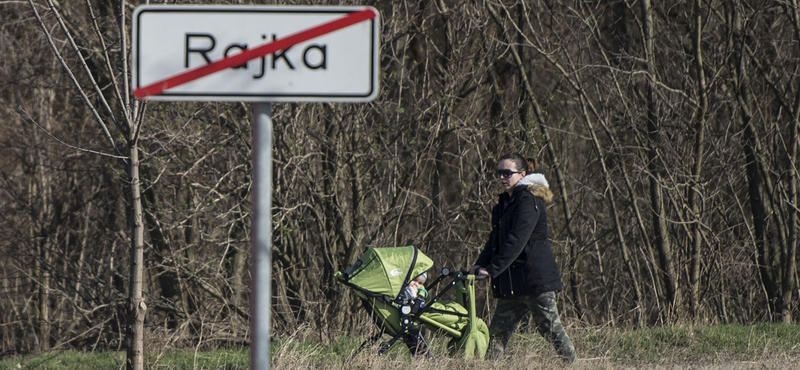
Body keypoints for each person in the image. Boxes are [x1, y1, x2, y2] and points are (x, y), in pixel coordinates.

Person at [469, 153, 576, 363]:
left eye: (507, 173)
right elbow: (495, 241)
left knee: (551, 330)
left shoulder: (528, 201)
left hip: (535, 281)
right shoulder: (504, 204)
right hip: (512, 284)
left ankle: (572, 364)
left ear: (522, 174)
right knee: (498, 334)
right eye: (499, 173)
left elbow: (517, 240)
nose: (502, 177)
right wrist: (480, 264)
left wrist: (492, 269)